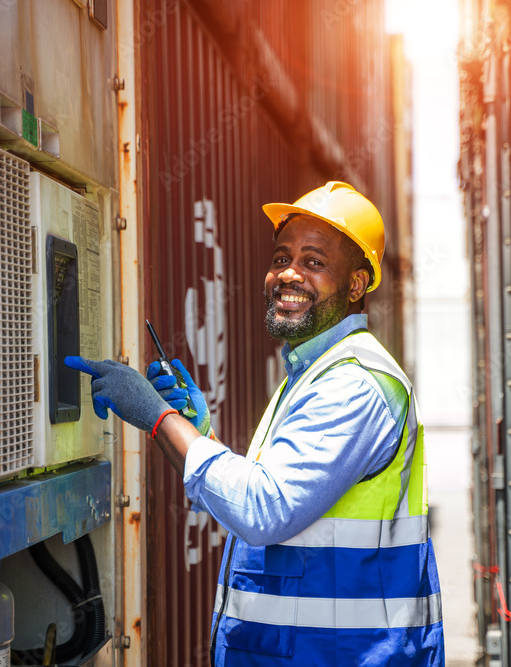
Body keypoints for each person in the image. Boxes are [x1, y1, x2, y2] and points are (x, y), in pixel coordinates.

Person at [66, 181, 444, 666]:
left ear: (355, 284)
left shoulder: (353, 384)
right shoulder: (313, 372)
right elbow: (269, 492)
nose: (287, 274)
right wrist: (197, 434)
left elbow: (263, 509)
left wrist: (158, 417)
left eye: (313, 262)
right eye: (281, 258)